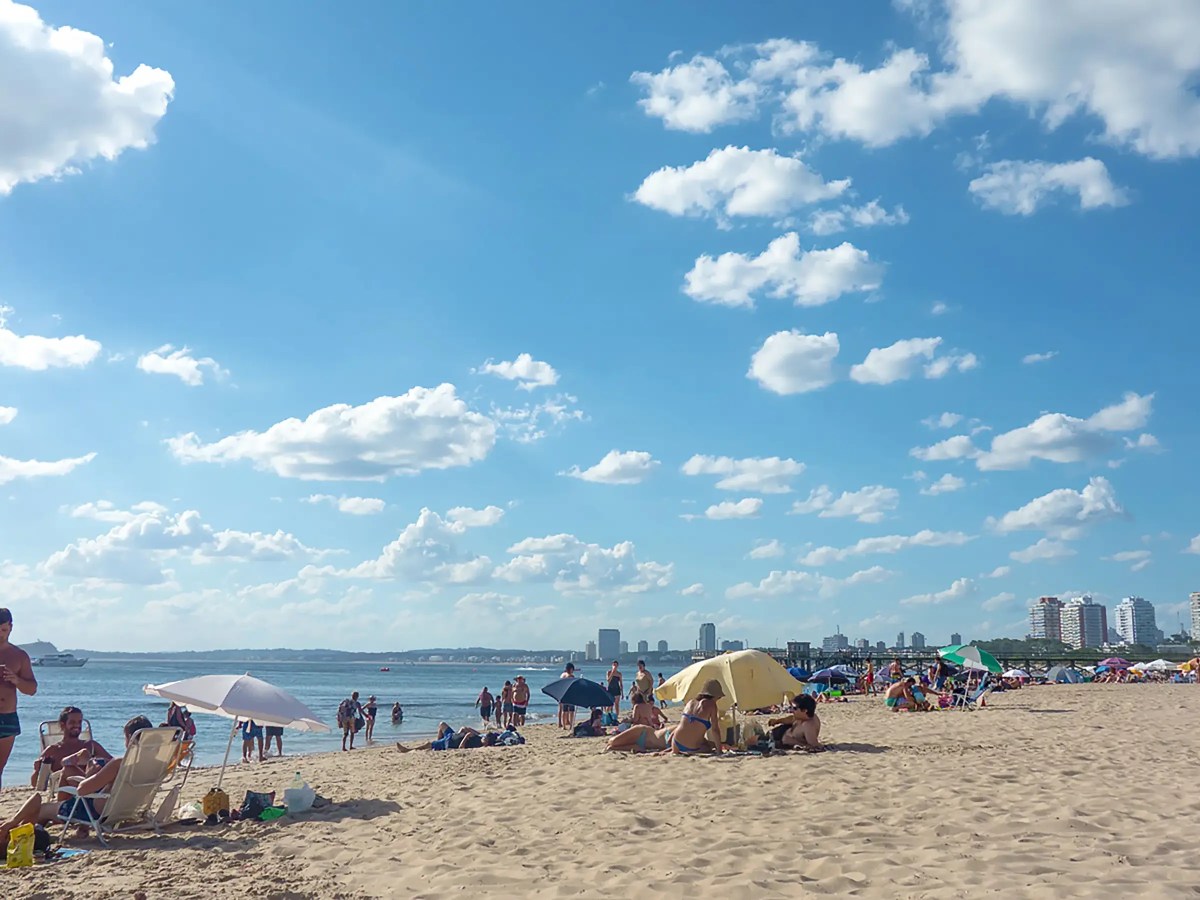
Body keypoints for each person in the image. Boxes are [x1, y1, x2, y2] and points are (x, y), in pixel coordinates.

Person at [0, 715, 152, 846]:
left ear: (131, 739)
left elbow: (83, 790)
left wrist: (91, 773)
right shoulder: (155, 763)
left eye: (125, 738)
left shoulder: (120, 763)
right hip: (124, 809)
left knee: (42, 808)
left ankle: (14, 835)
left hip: (94, 811)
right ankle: (38, 831)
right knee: (47, 810)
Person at [32, 706, 111, 794]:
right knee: (69, 767)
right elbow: (36, 784)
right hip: (69, 793)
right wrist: (36, 771)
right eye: (72, 722)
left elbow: (112, 764)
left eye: (79, 722)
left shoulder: (91, 745)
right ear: (63, 725)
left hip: (94, 788)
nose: (77, 725)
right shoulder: (53, 750)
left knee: (93, 760)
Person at [0, 607, 37, 788]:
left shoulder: (19, 656)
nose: (0, 634)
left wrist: (16, 680)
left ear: (10, 627)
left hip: (7, 717)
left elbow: (31, 689)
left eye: (3, 630)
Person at [668, 679, 723, 755]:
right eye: (719, 697)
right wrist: (719, 750)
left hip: (676, 742)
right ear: (715, 695)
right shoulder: (711, 704)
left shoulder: (691, 702)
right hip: (691, 747)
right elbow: (715, 730)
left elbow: (684, 724)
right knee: (709, 747)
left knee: (707, 742)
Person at [396, 722, 484, 752]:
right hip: (452, 735)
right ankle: (438, 741)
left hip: (450, 742)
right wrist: (465, 731)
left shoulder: (477, 743)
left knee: (428, 744)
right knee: (442, 724)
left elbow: (461, 747)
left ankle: (409, 750)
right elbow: (477, 733)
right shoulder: (479, 737)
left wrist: (466, 736)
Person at [605, 724, 672, 753]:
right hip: (643, 732)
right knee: (612, 741)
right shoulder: (680, 728)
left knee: (612, 746)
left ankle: (614, 748)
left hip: (644, 746)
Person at [558, 663, 577, 730]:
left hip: (563, 694)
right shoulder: (571, 676)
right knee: (571, 711)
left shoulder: (562, 675)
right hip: (570, 695)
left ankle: (563, 725)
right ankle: (571, 725)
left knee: (564, 710)